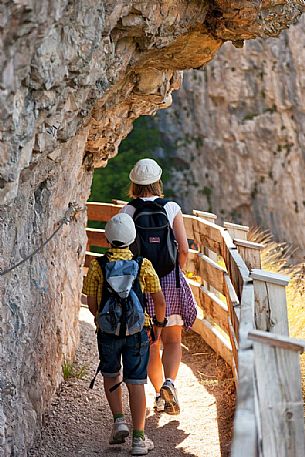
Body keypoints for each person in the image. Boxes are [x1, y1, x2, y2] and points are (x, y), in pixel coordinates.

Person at [83, 213, 166, 455]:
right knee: (136, 382)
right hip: (137, 332)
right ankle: (139, 438)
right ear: (133, 239)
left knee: (111, 374)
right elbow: (159, 300)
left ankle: (119, 420)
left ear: (108, 239)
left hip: (107, 333)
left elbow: (91, 302)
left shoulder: (98, 266)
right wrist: (157, 326)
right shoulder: (143, 265)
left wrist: (101, 319)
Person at [121, 158, 197, 415]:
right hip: (170, 280)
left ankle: (158, 396)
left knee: (152, 341)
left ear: (134, 183)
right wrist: (178, 272)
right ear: (157, 182)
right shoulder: (172, 207)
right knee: (173, 339)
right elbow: (184, 249)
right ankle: (170, 383)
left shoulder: (127, 212)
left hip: (142, 283)